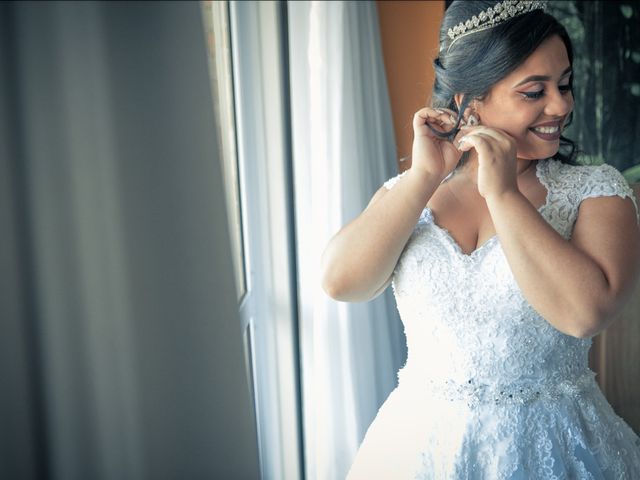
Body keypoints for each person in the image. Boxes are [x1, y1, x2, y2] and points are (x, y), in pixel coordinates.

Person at [320, 0, 640, 478]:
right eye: (535, 91)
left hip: (552, 447)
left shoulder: (596, 190)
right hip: (418, 448)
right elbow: (341, 283)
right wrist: (423, 176)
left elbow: (583, 314)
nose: (561, 105)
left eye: (565, 84)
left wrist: (503, 192)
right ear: (469, 102)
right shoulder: (413, 192)